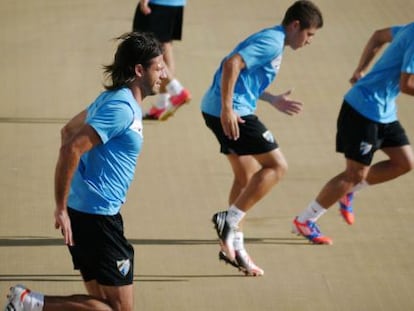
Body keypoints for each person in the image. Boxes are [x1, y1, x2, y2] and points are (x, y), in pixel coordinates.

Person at [4, 32, 166, 311]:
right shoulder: (122, 109)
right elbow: (71, 148)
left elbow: (67, 130)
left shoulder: (112, 98)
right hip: (98, 218)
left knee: (102, 302)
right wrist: (60, 208)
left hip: (84, 210)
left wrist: (74, 195)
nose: (164, 73)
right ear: (139, 70)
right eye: (158, 67)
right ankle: (28, 303)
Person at [201, 0, 323, 276]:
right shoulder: (272, 41)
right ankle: (228, 221)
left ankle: (233, 247)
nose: (310, 41)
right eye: (310, 34)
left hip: (217, 110)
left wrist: (271, 99)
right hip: (233, 114)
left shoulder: (274, 41)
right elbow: (232, 64)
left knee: (246, 177)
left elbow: (247, 77)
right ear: (295, 26)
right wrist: (228, 108)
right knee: (277, 167)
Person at [293, 22, 414, 245]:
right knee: (353, 174)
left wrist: (361, 68)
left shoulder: (409, 29)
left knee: (404, 163)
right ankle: (305, 220)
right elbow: (406, 84)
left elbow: (378, 35)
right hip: (362, 110)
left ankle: (351, 190)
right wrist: (362, 69)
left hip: (384, 111)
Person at [133, 0, 191, 121]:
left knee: (147, 47)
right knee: (165, 46)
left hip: (158, 4)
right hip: (175, 4)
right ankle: (162, 103)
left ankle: (177, 90)